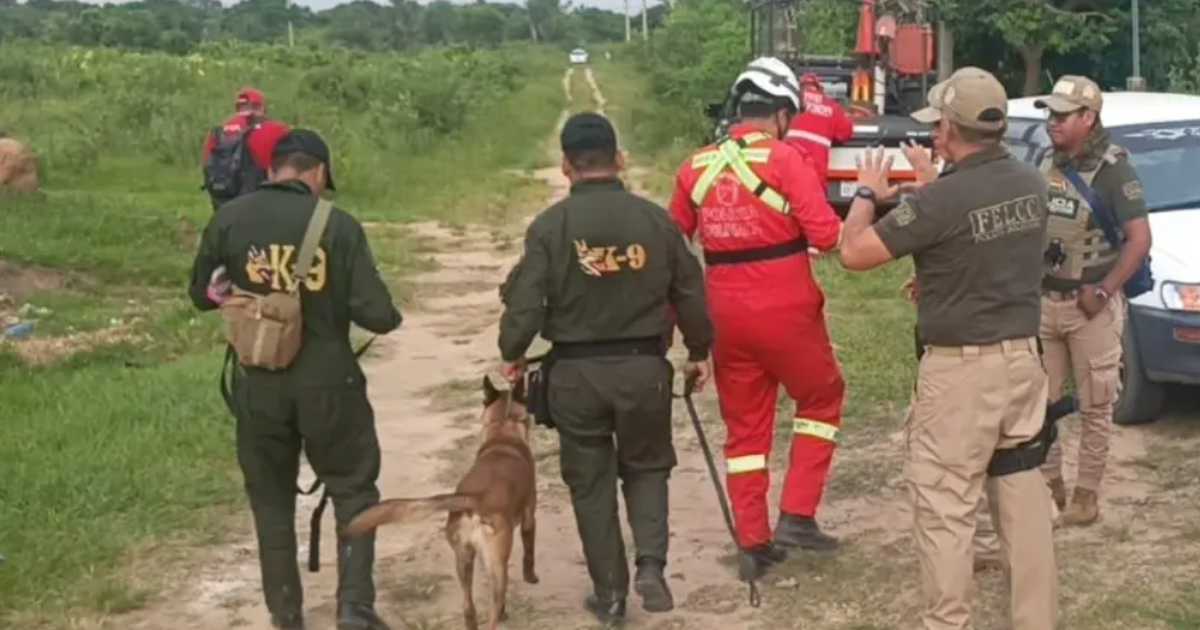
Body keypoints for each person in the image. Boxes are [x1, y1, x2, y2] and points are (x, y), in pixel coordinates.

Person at [838, 67, 1058, 629]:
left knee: (945, 504)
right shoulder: (1032, 183)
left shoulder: (940, 199)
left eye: (938, 126)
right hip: (1021, 363)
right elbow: (995, 252)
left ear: (951, 131)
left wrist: (867, 194)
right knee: (1022, 498)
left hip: (962, 373)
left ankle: (949, 621)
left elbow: (855, 253)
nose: (933, 134)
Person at [497, 112, 713, 625]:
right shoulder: (655, 221)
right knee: (648, 465)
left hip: (575, 377)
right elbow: (691, 292)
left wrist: (512, 350)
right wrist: (699, 351)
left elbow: (525, 306)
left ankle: (611, 594)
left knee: (590, 484)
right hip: (644, 371)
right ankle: (651, 566)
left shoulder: (550, 227)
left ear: (566, 166)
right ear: (619, 160)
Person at [188, 129, 402, 630]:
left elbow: (202, 293)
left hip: (258, 381)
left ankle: (286, 614)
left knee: (270, 501)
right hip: (329, 384)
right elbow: (378, 314)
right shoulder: (338, 225)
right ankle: (354, 608)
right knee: (353, 489)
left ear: (271, 170)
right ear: (319, 173)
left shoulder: (229, 217)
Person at [667, 56, 847, 580]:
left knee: (744, 433)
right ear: (783, 113)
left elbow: (673, 245)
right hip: (787, 308)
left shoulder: (693, 166)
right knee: (821, 397)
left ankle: (752, 542)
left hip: (723, 314)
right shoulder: (788, 160)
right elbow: (826, 236)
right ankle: (797, 514)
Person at [1033, 75, 1152, 527]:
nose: (1053, 123)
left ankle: (1086, 498)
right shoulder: (1046, 161)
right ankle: (1050, 488)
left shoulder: (1114, 168)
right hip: (1044, 301)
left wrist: (1103, 291)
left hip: (1091, 308)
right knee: (1038, 403)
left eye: (1063, 115)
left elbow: (1138, 238)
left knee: (1096, 404)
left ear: (1089, 117)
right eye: (1051, 114)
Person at [202, 87, 291, 210]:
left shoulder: (218, 132)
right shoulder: (276, 129)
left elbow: (207, 164)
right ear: (261, 108)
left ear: (238, 108)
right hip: (258, 203)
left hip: (222, 199)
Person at [785, 71, 855, 193]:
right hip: (815, 178)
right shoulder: (831, 106)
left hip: (787, 172)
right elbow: (846, 132)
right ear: (819, 89)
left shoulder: (789, 102)